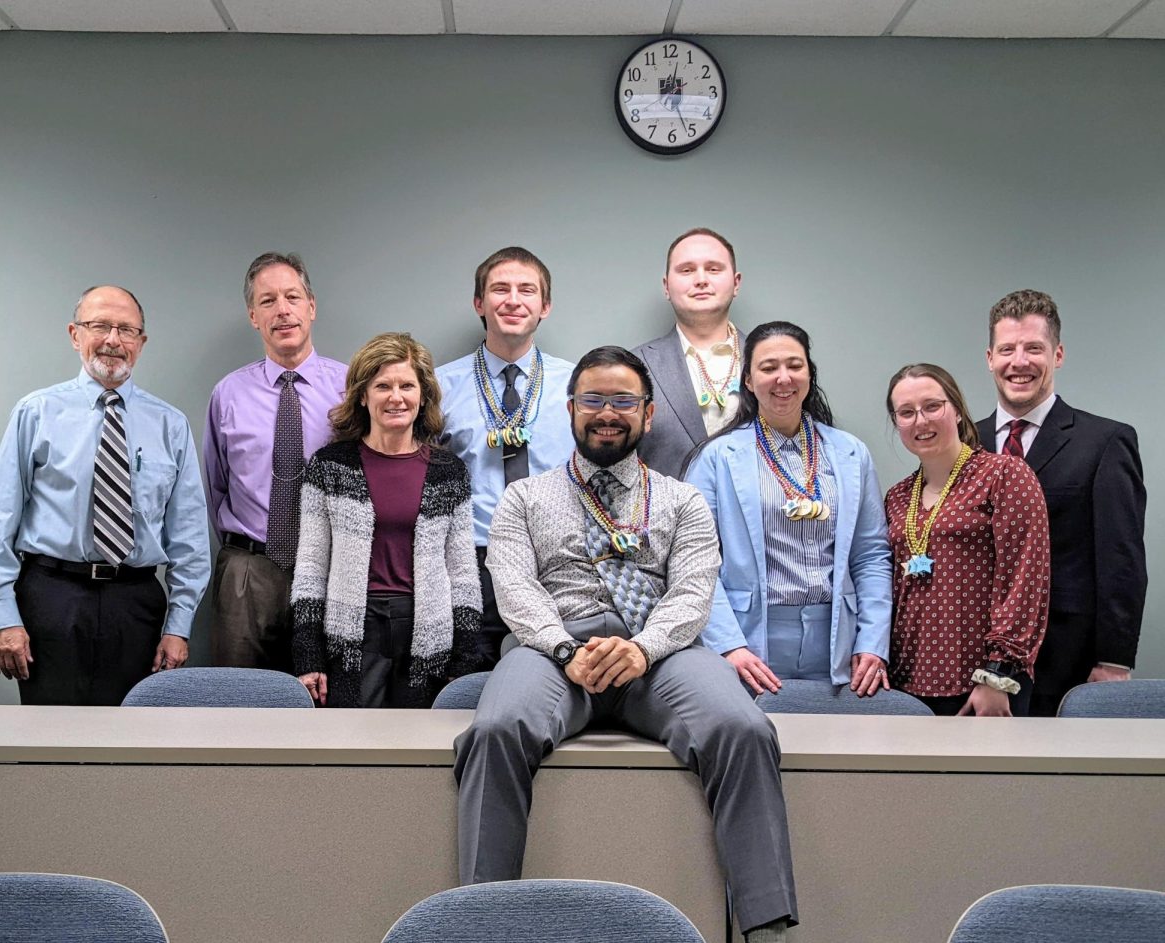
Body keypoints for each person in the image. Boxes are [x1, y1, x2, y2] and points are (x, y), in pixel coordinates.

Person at [454, 347, 797, 942]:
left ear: (648, 413)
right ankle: (482, 921)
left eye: (622, 401)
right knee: (495, 729)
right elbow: (513, 588)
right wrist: (564, 650)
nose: (606, 412)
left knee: (744, 728)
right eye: (593, 399)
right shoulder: (523, 499)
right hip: (552, 652)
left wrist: (643, 649)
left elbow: (693, 593)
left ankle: (766, 924)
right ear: (570, 409)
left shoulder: (682, 500)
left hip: (660, 653)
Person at [0, 285, 209, 705]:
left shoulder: (170, 425)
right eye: (99, 325)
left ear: (141, 342)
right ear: (74, 333)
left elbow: (189, 540)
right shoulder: (36, 412)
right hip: (51, 598)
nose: (113, 340)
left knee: (131, 746)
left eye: (126, 329)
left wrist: (178, 626)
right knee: (49, 742)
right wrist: (4, 617)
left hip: (136, 605)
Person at [686, 322, 892, 697]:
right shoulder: (717, 458)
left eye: (794, 365)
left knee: (835, 747)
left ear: (810, 374)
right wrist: (729, 644)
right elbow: (695, 563)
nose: (783, 378)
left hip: (838, 639)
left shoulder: (850, 453)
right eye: (768, 368)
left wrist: (872, 642)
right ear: (748, 380)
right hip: (750, 639)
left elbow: (872, 556)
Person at [977, 290, 1147, 716]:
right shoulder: (964, 442)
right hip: (971, 661)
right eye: (1007, 350)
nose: (1019, 362)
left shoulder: (1105, 442)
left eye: (1034, 348)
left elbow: (1121, 557)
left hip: (1067, 661)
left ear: (1058, 354)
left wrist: (1114, 660)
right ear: (989, 358)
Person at [291, 333, 481, 708]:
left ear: (423, 394)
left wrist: (465, 659)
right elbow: (311, 569)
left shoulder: (449, 472)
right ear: (363, 395)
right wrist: (308, 656)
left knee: (420, 748)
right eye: (383, 386)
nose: (396, 397)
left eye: (407, 385)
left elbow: (462, 574)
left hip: (427, 629)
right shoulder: (330, 466)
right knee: (354, 746)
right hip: (352, 631)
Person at [204, 252, 347, 672]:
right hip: (248, 573)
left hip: (329, 566)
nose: (282, 310)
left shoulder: (350, 387)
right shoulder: (227, 394)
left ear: (312, 307)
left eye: (292, 297)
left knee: (327, 700)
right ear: (253, 315)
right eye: (267, 301)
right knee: (240, 700)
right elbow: (216, 485)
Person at [436, 247, 574, 667]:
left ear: (544, 306)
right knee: (466, 688)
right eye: (500, 289)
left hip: (555, 561)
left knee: (550, 683)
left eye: (526, 290)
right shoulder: (439, 387)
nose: (513, 300)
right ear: (480, 303)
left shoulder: (576, 385)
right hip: (472, 564)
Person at [884, 363, 1049, 716]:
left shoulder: (1004, 475)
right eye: (906, 412)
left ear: (957, 410)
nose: (921, 421)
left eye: (932, 406)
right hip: (907, 684)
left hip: (983, 685)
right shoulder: (897, 497)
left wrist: (996, 674)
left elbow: (1024, 580)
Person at [633, 227, 744, 479]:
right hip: (665, 516)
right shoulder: (633, 367)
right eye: (687, 270)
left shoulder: (773, 363)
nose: (701, 279)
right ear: (666, 285)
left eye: (714, 269)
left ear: (736, 283)